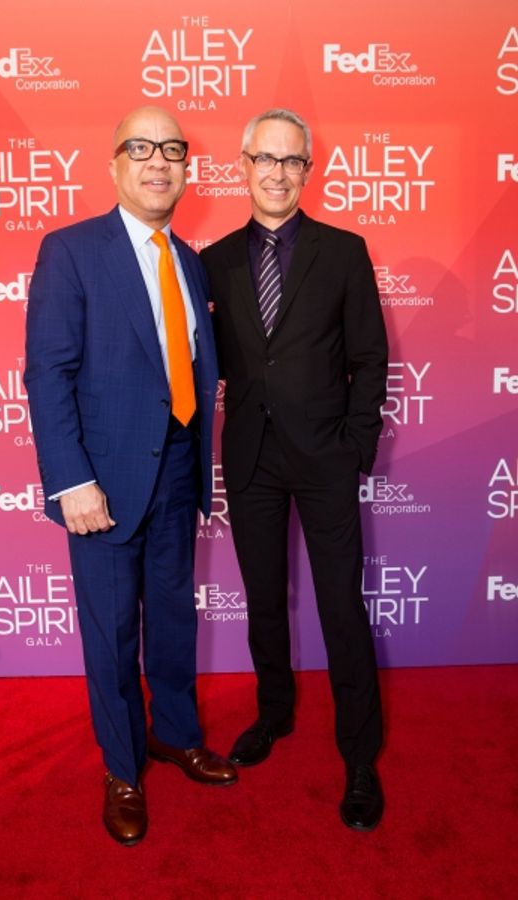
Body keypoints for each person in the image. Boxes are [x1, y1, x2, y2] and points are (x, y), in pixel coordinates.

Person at [24, 105, 237, 847]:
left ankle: (175, 734)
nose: (158, 162)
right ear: (114, 164)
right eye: (141, 148)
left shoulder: (191, 260)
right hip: (104, 485)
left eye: (172, 150)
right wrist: (71, 480)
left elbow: (190, 368)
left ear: (185, 169)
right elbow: (48, 374)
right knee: (112, 635)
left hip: (179, 474)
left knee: (174, 621)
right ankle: (122, 766)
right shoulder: (72, 251)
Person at [200, 109, 388, 831]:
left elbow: (370, 357)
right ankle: (273, 714)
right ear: (243, 166)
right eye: (265, 160)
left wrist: (356, 447)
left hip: (326, 458)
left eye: (292, 162)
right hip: (250, 457)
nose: (277, 173)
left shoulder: (344, 252)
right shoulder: (211, 261)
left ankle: (359, 755)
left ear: (309, 171)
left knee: (342, 605)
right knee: (263, 600)